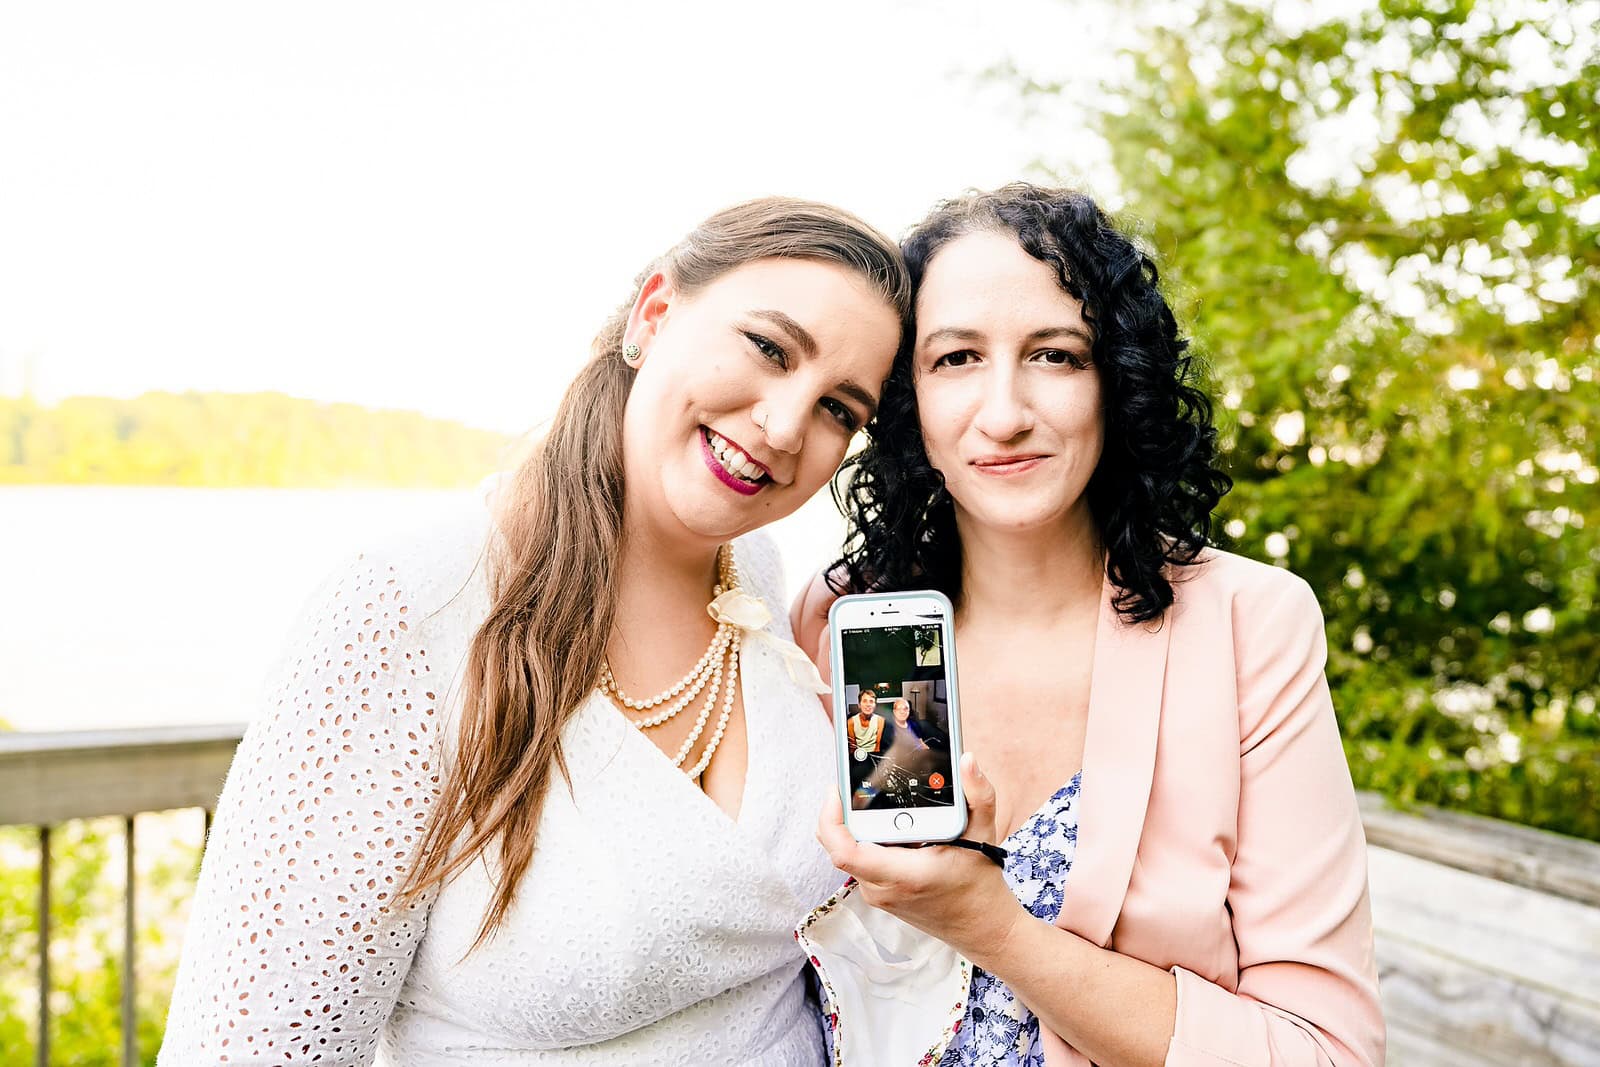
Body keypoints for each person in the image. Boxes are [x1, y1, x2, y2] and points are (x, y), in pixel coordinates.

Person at [158, 198, 910, 1065]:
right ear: (655, 314)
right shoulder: (412, 608)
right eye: (769, 349)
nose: (784, 427)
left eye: (838, 411)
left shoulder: (764, 578)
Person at [791, 185, 1384, 1067]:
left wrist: (991, 925)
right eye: (955, 358)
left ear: (1117, 377)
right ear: (905, 395)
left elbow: (1328, 1053)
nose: (1004, 413)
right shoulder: (839, 616)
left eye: (1056, 355)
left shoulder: (1248, 626)